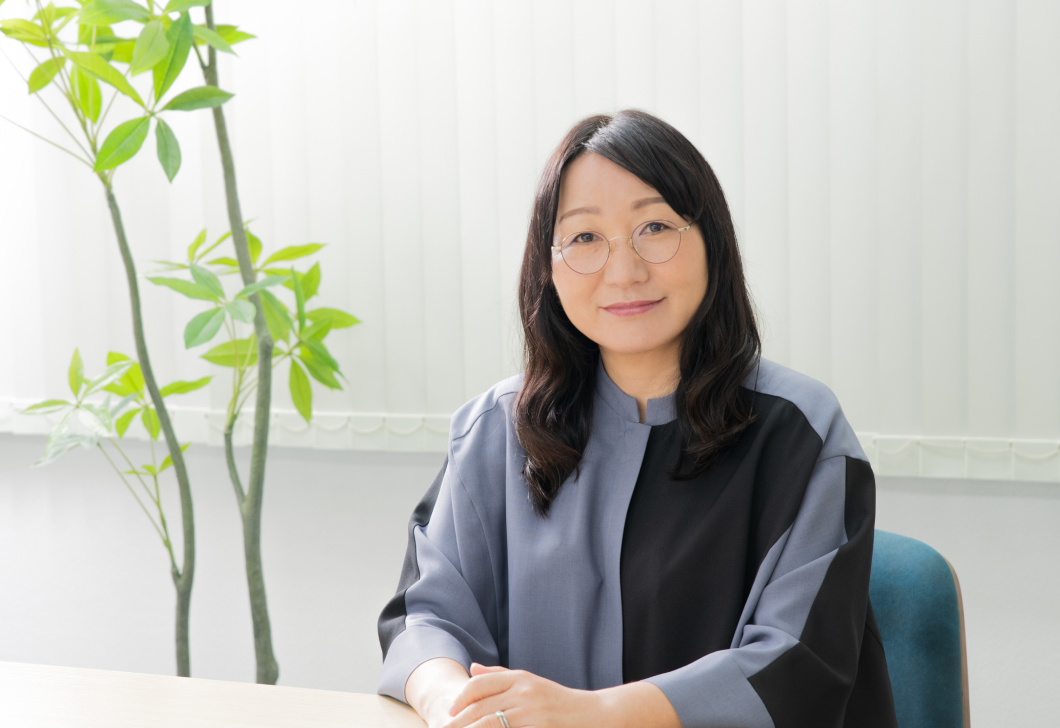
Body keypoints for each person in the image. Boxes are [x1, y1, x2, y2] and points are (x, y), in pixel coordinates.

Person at [377, 110, 897, 728]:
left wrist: (591, 714)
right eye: (585, 239)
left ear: (712, 241)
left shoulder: (801, 433)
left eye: (654, 227)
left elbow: (795, 663)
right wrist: (450, 704)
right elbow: (426, 617)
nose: (623, 271)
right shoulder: (494, 430)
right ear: (549, 265)